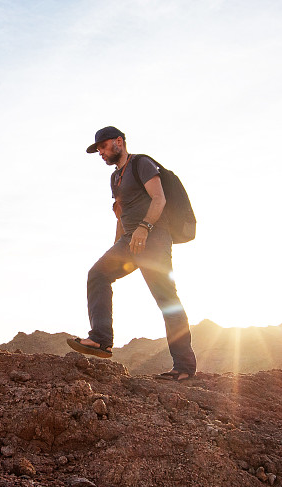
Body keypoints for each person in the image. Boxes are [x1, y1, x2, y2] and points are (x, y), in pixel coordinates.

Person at [66, 126, 197, 381]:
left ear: (119, 142)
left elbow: (159, 199)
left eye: (103, 147)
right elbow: (121, 215)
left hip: (154, 238)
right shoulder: (115, 178)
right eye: (98, 150)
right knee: (98, 274)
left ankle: (183, 366)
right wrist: (116, 246)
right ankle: (101, 338)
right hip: (129, 242)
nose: (101, 153)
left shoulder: (142, 164)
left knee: (167, 300)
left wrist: (144, 228)